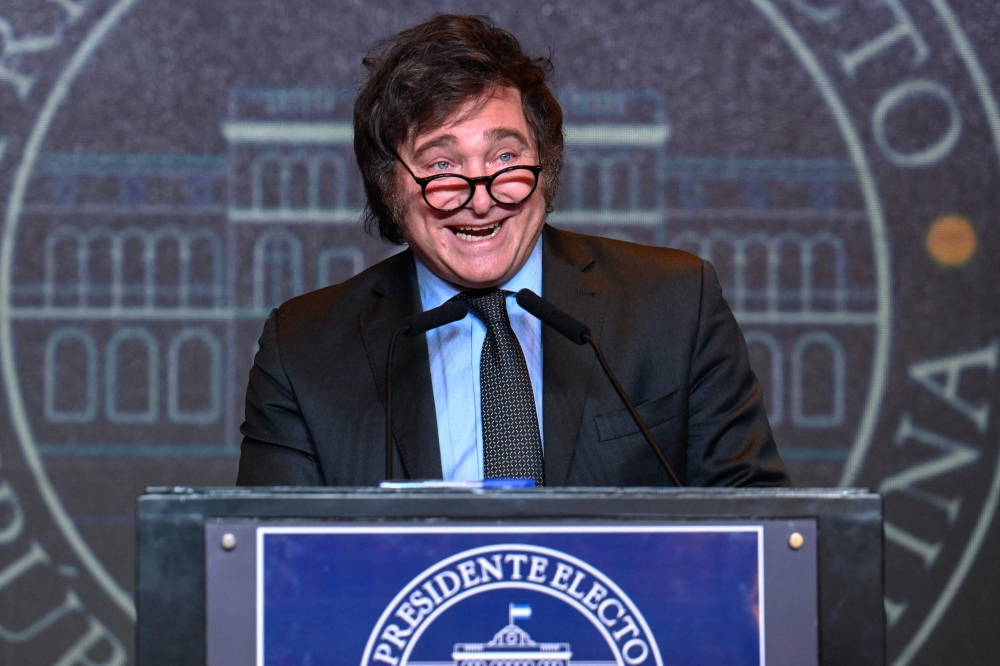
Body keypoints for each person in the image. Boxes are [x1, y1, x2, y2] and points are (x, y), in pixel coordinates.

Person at [237, 14, 788, 488]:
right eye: (441, 166)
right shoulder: (304, 351)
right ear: (389, 187)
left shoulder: (674, 305)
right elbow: (271, 571)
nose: (481, 199)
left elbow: (761, 534)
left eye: (505, 157)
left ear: (544, 169)